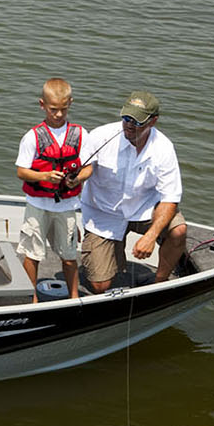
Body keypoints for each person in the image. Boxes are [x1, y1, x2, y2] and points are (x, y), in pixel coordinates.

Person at [77, 89, 187, 290]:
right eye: (126, 118)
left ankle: (159, 284)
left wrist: (151, 236)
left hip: (143, 209)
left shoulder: (164, 148)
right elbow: (83, 170)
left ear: (153, 121)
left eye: (137, 121)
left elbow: (170, 197)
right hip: (104, 214)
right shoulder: (100, 136)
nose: (129, 125)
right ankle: (108, 258)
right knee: (100, 285)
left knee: (178, 231)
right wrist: (73, 180)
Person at [14, 78, 92, 300]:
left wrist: (77, 179)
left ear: (70, 104)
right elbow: (21, 171)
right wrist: (44, 176)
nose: (58, 114)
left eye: (63, 109)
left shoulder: (80, 134)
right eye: (53, 109)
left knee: (69, 256)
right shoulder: (32, 137)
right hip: (37, 205)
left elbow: (88, 168)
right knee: (33, 254)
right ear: (42, 105)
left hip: (66, 206)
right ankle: (31, 299)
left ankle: (74, 297)